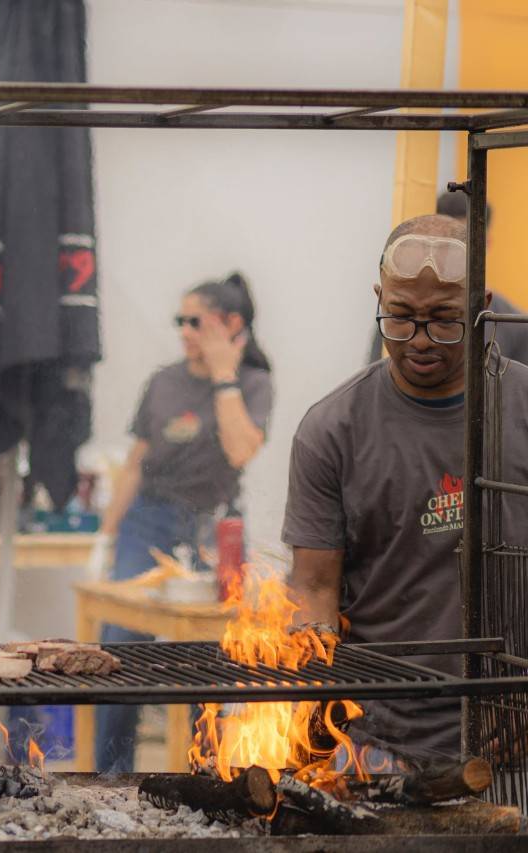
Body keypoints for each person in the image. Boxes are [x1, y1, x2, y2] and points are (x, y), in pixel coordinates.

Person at [285, 213, 528, 767]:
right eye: (400, 317)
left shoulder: (524, 407)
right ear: (379, 297)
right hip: (380, 742)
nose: (420, 340)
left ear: (482, 304)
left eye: (444, 320)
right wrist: (312, 692)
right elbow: (314, 587)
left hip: (514, 735)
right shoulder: (332, 429)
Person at [93, 272, 274, 771]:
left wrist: (223, 376)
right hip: (148, 521)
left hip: (214, 528)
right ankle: (109, 775)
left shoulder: (254, 385)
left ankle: (207, 775)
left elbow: (240, 450)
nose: (183, 330)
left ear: (230, 323)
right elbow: (135, 463)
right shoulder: (163, 381)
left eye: (193, 321)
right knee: (120, 646)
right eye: (180, 320)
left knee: (209, 654)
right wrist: (106, 534)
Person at [365, 191, 528, 365]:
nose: (421, 343)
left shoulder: (516, 327)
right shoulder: (398, 313)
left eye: (460, 245)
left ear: (485, 245)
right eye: (442, 244)